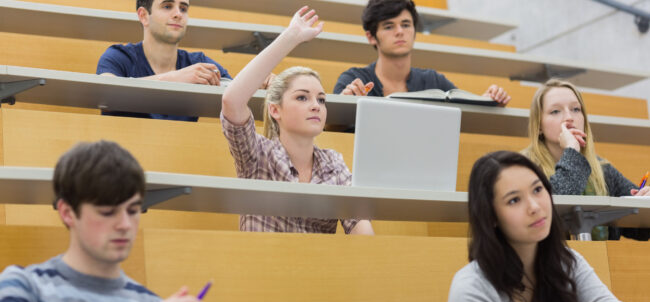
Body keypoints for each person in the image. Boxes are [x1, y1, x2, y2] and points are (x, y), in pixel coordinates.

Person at [0, 141, 205, 302]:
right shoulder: (23, 286)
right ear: (67, 213)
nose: (125, 225)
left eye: (133, 211)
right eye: (108, 212)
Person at [445, 151, 639, 302]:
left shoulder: (567, 262)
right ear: (491, 216)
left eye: (538, 189)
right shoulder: (471, 288)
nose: (535, 207)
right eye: (514, 200)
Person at [220, 7, 374, 235]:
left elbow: (362, 233)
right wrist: (291, 37)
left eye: (321, 100)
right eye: (302, 97)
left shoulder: (333, 163)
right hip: (261, 267)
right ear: (275, 110)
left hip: (318, 268)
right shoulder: (258, 154)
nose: (315, 105)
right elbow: (232, 101)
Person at [522, 78, 650, 240]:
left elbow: (640, 229)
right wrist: (571, 151)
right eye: (555, 111)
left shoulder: (602, 169)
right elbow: (551, 211)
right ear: (539, 125)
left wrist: (645, 198)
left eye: (576, 109)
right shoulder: (523, 168)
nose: (569, 117)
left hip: (601, 260)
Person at [333, 0, 510, 105]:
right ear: (371, 37)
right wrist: (345, 102)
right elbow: (330, 127)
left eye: (406, 24)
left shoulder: (433, 80)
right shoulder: (353, 79)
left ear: (414, 31)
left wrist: (489, 100)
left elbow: (466, 108)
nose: (400, 31)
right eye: (389, 26)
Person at [96, 0, 232, 121]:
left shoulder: (197, 63)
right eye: (167, 6)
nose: (178, 14)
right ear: (143, 16)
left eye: (183, 8)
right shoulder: (118, 56)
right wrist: (175, 78)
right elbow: (106, 96)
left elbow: (236, 94)